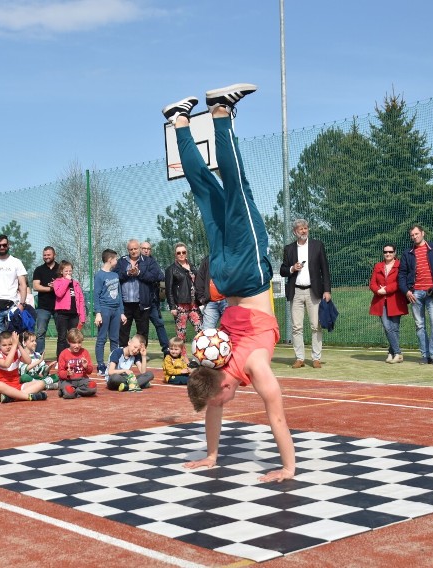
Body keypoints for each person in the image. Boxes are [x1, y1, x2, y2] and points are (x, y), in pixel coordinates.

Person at [162, 83, 295, 483]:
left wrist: (288, 468)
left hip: (247, 274)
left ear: (220, 387)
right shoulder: (212, 365)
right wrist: (212, 457)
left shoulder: (249, 367)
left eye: (217, 401)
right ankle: (179, 121)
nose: (220, 406)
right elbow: (215, 408)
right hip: (222, 274)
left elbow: (277, 416)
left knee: (238, 187)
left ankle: (220, 111)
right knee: (206, 191)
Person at [280, 219, 332, 369]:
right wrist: (292, 268)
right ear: (294, 232)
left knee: (316, 325)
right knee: (296, 327)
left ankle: (316, 358)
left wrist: (327, 290)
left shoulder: (317, 245)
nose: (304, 231)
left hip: (314, 291)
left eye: (305, 228)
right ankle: (299, 358)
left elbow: (325, 270)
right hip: (295, 291)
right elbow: (283, 270)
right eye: (300, 229)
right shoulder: (288, 248)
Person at [397, 224, 433, 365]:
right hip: (415, 294)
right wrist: (407, 291)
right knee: (419, 325)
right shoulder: (407, 253)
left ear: (423, 233)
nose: (414, 237)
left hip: (432, 293)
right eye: (412, 235)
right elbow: (401, 275)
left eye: (416, 234)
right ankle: (425, 355)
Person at [0, 234, 31, 337]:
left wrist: (22, 304)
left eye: (4, 245)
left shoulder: (16, 262)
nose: (2, 247)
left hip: (12, 305)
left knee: (15, 336)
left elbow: (23, 285)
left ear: (9, 245)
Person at [116, 240, 162, 348]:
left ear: (139, 249)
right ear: (128, 250)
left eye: (135, 249)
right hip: (125, 304)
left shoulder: (149, 261)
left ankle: (141, 355)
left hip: (142, 304)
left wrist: (139, 273)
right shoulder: (122, 261)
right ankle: (124, 355)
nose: (133, 251)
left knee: (142, 332)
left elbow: (155, 276)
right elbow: (115, 276)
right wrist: (127, 273)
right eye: (131, 249)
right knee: (123, 331)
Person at [369, 244, 409, 363]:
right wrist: (378, 290)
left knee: (394, 328)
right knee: (387, 327)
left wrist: (386, 289)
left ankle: (392, 353)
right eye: (385, 252)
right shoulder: (378, 266)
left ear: (395, 253)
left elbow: (399, 282)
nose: (388, 254)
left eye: (390, 252)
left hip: (396, 300)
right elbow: (372, 283)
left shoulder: (400, 265)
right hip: (380, 300)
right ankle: (398, 353)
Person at [0, 330, 47, 403]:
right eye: (4, 345)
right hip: (2, 389)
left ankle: (12, 397)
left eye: (10, 344)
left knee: (41, 383)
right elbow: (6, 364)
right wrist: (14, 346)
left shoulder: (17, 351)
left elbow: (28, 361)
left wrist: (19, 345)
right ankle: (28, 397)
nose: (7, 347)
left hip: (16, 386)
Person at [93, 249, 125, 376]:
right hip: (105, 309)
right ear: (109, 260)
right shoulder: (99, 275)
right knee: (101, 338)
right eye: (115, 259)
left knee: (115, 339)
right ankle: (100, 365)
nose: (116, 261)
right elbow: (96, 295)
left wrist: (122, 312)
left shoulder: (115, 275)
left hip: (116, 310)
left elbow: (119, 295)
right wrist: (98, 312)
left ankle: (113, 364)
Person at [164, 242, 202, 345]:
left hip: (194, 305)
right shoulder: (171, 269)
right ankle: (182, 358)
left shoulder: (193, 267)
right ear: (175, 254)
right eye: (178, 252)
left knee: (201, 331)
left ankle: (201, 357)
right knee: (181, 335)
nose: (181, 254)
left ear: (187, 253)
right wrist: (172, 306)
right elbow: (169, 290)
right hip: (180, 306)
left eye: (183, 252)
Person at [140, 241, 171, 354]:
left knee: (159, 324)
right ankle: (141, 352)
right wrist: (150, 276)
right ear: (140, 249)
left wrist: (144, 275)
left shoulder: (153, 262)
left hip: (153, 301)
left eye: (148, 248)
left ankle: (166, 349)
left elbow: (160, 276)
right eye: (144, 248)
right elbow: (145, 275)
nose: (146, 250)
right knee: (143, 329)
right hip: (140, 302)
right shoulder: (135, 261)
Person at [52, 260, 86, 358]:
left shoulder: (75, 283)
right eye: (66, 271)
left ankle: (73, 358)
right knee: (62, 338)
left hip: (74, 315)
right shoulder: (57, 282)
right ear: (61, 272)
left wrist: (82, 317)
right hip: (62, 314)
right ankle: (61, 359)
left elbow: (80, 300)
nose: (68, 273)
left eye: (70, 271)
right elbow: (59, 293)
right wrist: (66, 281)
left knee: (74, 338)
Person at [31, 246, 59, 355]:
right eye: (44, 255)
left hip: (59, 306)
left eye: (48, 255)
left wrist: (57, 286)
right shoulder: (39, 270)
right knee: (40, 333)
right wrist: (52, 288)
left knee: (62, 334)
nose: (46, 257)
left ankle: (61, 358)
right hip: (43, 307)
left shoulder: (60, 268)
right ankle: (38, 357)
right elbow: (36, 286)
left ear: (54, 255)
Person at [57, 328, 97, 399]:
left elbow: (90, 371)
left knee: (92, 387)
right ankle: (66, 390)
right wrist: (67, 373)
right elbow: (60, 373)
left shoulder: (85, 352)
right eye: (74, 343)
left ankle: (74, 391)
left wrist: (86, 367)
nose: (77, 345)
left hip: (82, 380)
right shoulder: (63, 354)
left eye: (79, 343)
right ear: (68, 342)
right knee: (69, 392)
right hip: (68, 381)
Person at [195, 256, 227, 330]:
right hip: (211, 302)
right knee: (206, 331)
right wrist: (201, 298)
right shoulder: (207, 260)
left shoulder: (228, 257)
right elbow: (200, 279)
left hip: (227, 301)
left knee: (230, 330)